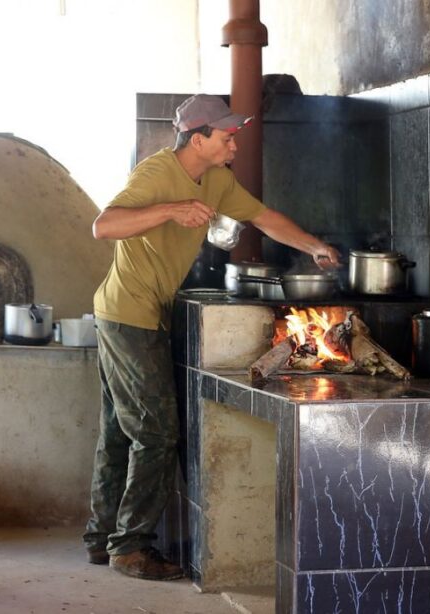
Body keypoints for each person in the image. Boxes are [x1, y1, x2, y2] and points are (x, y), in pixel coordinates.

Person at [84, 94, 340, 581]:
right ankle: (130, 548)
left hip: (141, 313)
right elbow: (104, 226)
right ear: (197, 139)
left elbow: (263, 218)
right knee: (157, 433)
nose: (234, 144)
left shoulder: (218, 179)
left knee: (123, 429)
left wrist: (315, 246)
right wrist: (170, 209)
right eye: (227, 136)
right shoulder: (157, 174)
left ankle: (103, 540)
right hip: (127, 314)